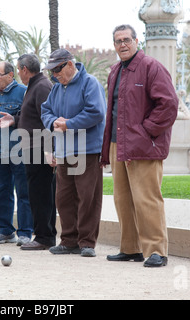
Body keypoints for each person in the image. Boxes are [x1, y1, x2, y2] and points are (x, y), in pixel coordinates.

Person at [100, 25, 179, 267]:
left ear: (136, 41)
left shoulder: (151, 67)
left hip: (143, 146)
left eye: (126, 40)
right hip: (118, 145)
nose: (122, 44)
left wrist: (146, 132)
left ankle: (156, 251)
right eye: (117, 41)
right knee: (122, 199)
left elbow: (168, 104)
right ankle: (131, 248)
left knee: (147, 199)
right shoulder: (115, 71)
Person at [41, 48, 106, 257]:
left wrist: (69, 124)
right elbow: (46, 111)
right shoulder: (56, 88)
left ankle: (87, 243)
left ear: (70, 64)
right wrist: (53, 122)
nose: (55, 75)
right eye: (51, 71)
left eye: (58, 69)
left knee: (88, 197)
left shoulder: (90, 83)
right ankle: (69, 241)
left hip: (87, 151)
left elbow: (96, 112)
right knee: (63, 198)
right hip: (63, 151)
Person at [0, 53, 57, 250]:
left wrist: (50, 149)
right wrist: (15, 119)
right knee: (37, 194)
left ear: (23, 70)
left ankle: (44, 237)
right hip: (31, 149)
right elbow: (30, 116)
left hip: (39, 149)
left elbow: (48, 120)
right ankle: (42, 236)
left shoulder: (41, 86)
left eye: (20, 70)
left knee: (41, 195)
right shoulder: (35, 86)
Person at [0, 61, 34, 246]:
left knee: (23, 192)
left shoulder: (23, 92)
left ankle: (25, 232)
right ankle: (5, 231)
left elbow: (31, 118)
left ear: (10, 75)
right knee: (1, 191)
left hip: (19, 150)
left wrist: (15, 121)